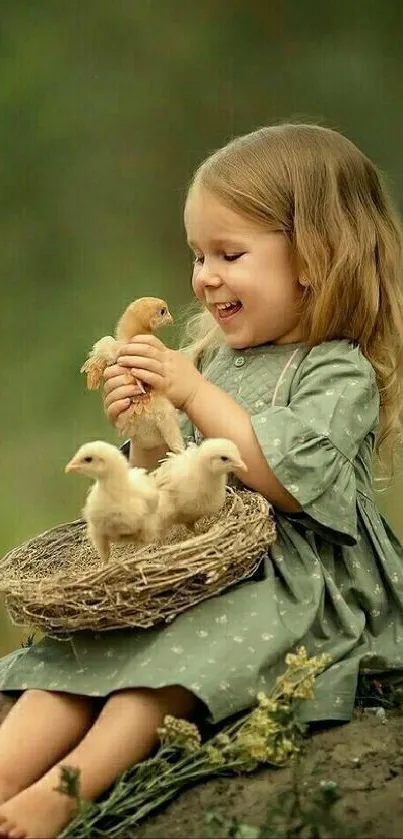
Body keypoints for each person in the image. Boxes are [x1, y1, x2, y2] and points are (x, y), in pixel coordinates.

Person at [1, 122, 403, 839]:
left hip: (286, 578)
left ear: (313, 257)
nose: (203, 276)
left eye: (229, 253)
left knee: (172, 661)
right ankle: (7, 768)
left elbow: (280, 477)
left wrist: (189, 392)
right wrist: (143, 430)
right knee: (84, 646)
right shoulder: (215, 360)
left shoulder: (334, 370)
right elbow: (167, 480)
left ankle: (69, 790)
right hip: (195, 555)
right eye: (196, 254)